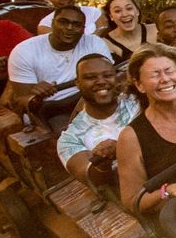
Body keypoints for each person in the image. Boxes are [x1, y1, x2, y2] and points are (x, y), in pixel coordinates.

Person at [116, 43, 176, 212]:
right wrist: (168, 190)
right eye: (155, 74)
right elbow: (133, 201)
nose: (165, 79)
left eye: (169, 71)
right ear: (139, 84)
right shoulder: (131, 136)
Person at [5, 5, 112, 125]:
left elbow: (110, 78)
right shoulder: (24, 51)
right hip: (55, 109)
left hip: (94, 98)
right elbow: (21, 99)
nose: (69, 28)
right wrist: (35, 96)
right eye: (63, 22)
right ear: (52, 23)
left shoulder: (94, 42)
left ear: (83, 29)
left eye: (76, 24)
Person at [56, 53, 141, 183]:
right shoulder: (70, 139)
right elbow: (89, 176)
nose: (101, 81)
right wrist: (102, 163)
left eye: (107, 76)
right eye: (90, 77)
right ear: (78, 84)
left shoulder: (140, 100)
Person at [100, 0, 158, 65]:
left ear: (137, 11)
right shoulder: (105, 43)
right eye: (118, 11)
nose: (124, 14)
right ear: (111, 16)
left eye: (129, 8)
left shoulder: (156, 30)